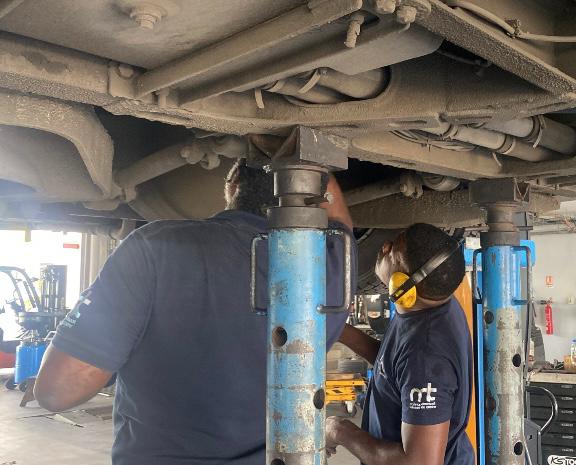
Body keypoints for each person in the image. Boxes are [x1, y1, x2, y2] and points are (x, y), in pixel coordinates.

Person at [33, 139, 355, 465]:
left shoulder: (156, 248)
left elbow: (57, 390)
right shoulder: (333, 265)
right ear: (319, 194)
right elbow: (342, 224)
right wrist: (312, 152)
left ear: (232, 185)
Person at [325, 223, 474, 465]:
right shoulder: (426, 307)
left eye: (393, 251)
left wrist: (338, 429)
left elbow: (419, 463)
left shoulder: (426, 358)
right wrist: (337, 328)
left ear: (403, 285)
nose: (385, 246)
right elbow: (394, 367)